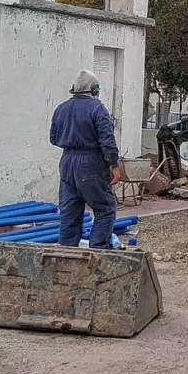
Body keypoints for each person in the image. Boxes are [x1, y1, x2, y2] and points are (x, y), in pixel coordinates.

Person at [50, 70, 125, 249]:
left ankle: (66, 252)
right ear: (94, 89)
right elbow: (107, 140)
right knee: (105, 208)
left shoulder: (61, 108)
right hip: (90, 163)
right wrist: (114, 165)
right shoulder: (97, 108)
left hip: (67, 163)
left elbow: (53, 138)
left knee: (70, 212)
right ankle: (98, 251)